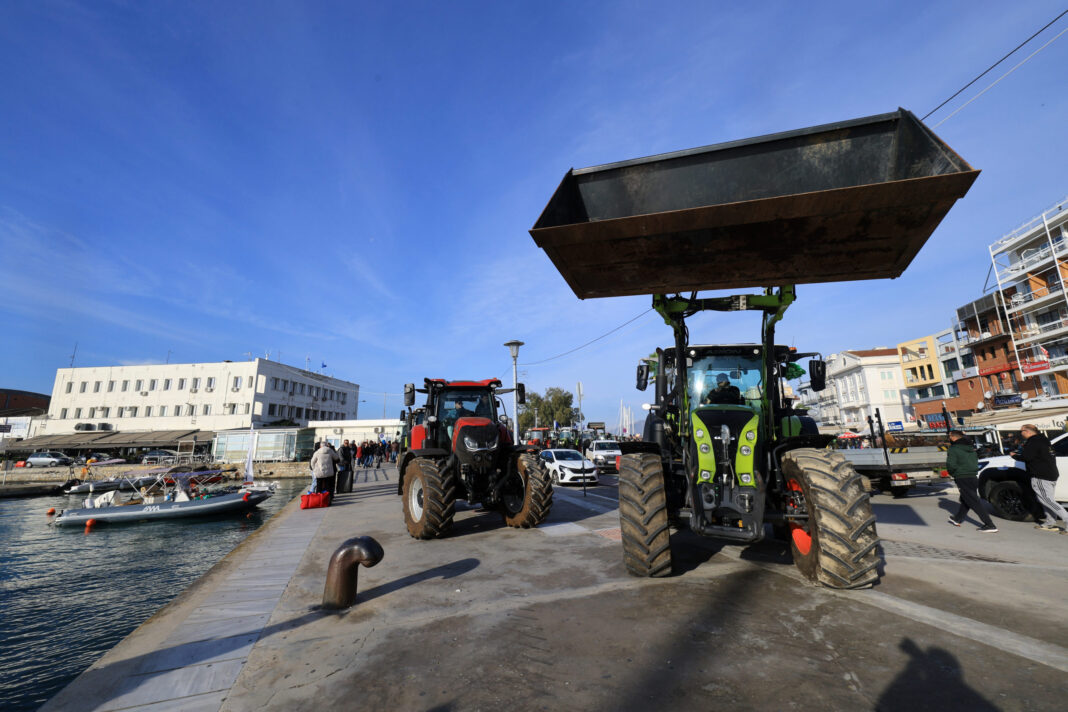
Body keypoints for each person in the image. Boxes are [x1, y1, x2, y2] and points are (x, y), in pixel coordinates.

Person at [1013, 424, 1068, 533]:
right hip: (1051, 474)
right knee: (1046, 499)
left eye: (1021, 432)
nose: (1021, 434)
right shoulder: (1044, 440)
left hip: (1040, 475)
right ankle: (1050, 522)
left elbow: (1026, 457)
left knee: (1046, 500)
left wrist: (1014, 455)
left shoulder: (1033, 442)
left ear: (1027, 431)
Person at [946, 430, 998, 533]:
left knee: (974, 501)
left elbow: (951, 465)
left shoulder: (953, 449)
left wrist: (953, 473)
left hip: (962, 476)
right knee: (967, 499)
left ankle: (990, 524)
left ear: (953, 437)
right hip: (973, 476)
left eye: (949, 436)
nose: (948, 438)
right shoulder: (970, 448)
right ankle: (957, 518)